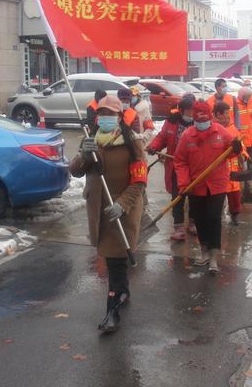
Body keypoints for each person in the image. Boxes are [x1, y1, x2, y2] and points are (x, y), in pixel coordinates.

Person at [69, 95, 147, 333]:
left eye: (110, 115)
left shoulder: (132, 143)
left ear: (119, 117)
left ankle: (112, 311)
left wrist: (122, 204)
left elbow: (139, 181)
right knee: (115, 259)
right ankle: (122, 291)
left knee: (114, 261)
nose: (105, 119)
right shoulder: (91, 140)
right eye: (101, 114)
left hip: (122, 211)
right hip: (98, 211)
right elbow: (75, 172)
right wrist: (83, 154)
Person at [174, 102, 242, 273]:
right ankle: (204, 251)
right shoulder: (188, 136)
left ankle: (213, 257)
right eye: (198, 121)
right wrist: (184, 183)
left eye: (204, 120)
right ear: (194, 120)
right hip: (195, 185)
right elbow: (180, 161)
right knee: (200, 219)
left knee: (213, 217)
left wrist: (237, 148)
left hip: (217, 184)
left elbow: (231, 152)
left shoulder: (221, 132)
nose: (202, 124)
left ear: (210, 118)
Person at [147, 96, 197, 240]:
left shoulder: (198, 123)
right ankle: (179, 227)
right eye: (189, 110)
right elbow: (162, 137)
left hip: (194, 167)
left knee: (195, 196)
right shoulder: (171, 122)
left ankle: (193, 223)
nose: (192, 113)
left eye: (193, 110)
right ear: (181, 110)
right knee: (178, 196)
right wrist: (154, 147)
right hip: (176, 166)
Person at [213, 101, 247, 225]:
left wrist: (243, 155)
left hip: (234, 167)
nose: (228, 116)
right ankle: (217, 217)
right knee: (219, 195)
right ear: (218, 114)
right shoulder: (213, 128)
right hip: (219, 169)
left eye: (229, 113)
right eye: (226, 113)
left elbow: (241, 145)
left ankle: (235, 215)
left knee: (234, 194)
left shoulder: (232, 127)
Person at [236, 87, 252, 158]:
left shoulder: (251, 103)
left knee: (251, 151)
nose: (248, 98)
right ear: (241, 96)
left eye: (249, 97)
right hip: (242, 134)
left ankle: (251, 167)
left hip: (251, 134)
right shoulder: (236, 105)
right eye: (247, 97)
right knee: (242, 153)